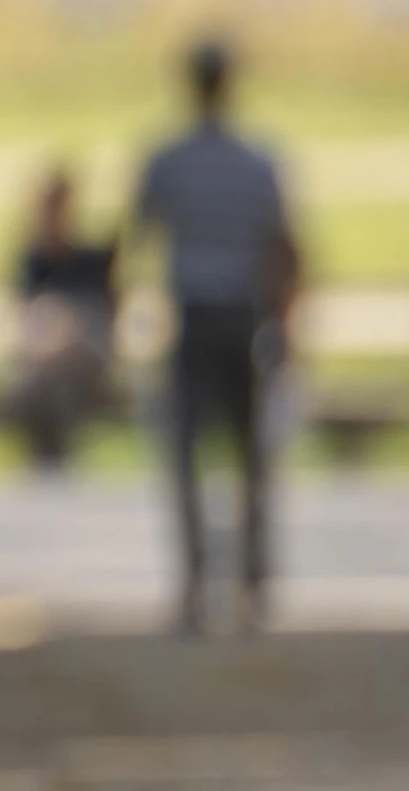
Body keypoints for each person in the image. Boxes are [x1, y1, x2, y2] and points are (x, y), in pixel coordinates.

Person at [134, 40, 301, 633]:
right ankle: (252, 582)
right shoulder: (256, 160)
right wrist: (285, 322)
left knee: (186, 455)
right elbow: (283, 246)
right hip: (244, 314)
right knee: (249, 455)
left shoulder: (167, 158)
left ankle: (195, 579)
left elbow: (139, 231)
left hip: (194, 313)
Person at [11, 167, 118, 472]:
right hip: (45, 355)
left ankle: (51, 465)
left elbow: (102, 314)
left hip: (81, 350)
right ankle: (50, 464)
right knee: (40, 384)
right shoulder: (33, 261)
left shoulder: (90, 259)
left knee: (51, 378)